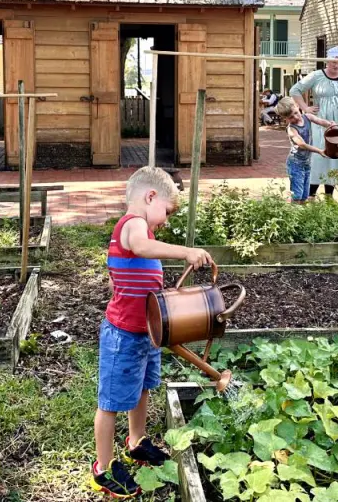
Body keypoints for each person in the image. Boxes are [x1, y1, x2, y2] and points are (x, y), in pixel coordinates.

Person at [91, 166, 214, 498]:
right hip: (123, 336)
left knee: (143, 387)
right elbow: (142, 247)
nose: (167, 219)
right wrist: (186, 252)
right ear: (150, 197)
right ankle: (103, 468)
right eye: (168, 211)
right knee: (112, 401)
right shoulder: (133, 226)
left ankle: (136, 441)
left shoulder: (145, 231)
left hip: (147, 334)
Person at [289, 46, 338, 197]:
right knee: (320, 151)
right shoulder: (316, 76)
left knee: (336, 150)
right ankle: (311, 192)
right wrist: (305, 108)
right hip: (321, 119)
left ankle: (329, 194)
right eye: (334, 62)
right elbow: (295, 90)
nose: (336, 65)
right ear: (327, 61)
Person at [275, 97, 338, 203]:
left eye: (296, 113)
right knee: (297, 193)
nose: (296, 117)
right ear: (285, 119)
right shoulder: (292, 129)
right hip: (295, 164)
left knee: (305, 193)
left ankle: (303, 216)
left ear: (297, 106)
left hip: (306, 162)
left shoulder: (307, 117)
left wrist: (329, 124)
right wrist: (319, 151)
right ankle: (294, 214)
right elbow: (302, 144)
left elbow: (319, 121)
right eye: (291, 117)